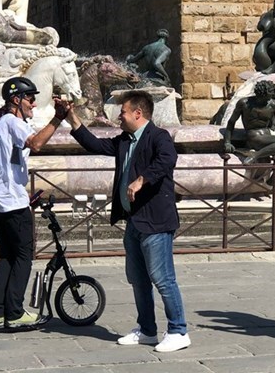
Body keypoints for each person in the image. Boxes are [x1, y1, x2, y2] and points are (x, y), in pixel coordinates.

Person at [65, 90, 190, 352]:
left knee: (163, 278)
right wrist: (71, 118)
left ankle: (179, 330)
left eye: (122, 112)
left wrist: (141, 179)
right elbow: (96, 145)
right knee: (138, 278)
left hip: (156, 222)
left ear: (138, 113)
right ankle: (146, 330)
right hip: (134, 221)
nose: (118, 117)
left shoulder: (159, 137)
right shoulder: (125, 140)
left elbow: (167, 161)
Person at [0, 76, 68, 328]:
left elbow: (10, 161)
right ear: (16, 100)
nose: (34, 104)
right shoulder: (12, 122)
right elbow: (36, 143)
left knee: (7, 256)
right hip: (10, 201)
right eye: (30, 98)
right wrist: (58, 118)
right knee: (23, 256)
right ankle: (15, 312)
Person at [223, 80, 275, 165]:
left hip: (268, 137)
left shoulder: (273, 105)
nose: (272, 95)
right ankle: (254, 156)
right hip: (253, 137)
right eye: (270, 93)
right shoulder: (244, 103)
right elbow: (231, 122)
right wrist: (227, 142)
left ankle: (272, 178)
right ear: (263, 94)